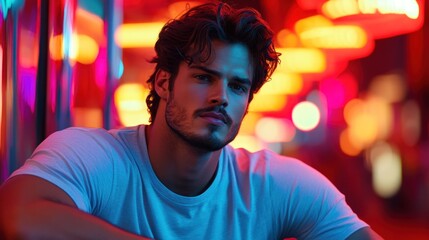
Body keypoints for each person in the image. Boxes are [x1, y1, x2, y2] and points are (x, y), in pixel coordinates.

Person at [0, 2, 382, 239]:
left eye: (237, 86)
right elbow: (17, 218)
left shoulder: (275, 184)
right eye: (204, 77)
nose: (221, 96)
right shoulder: (92, 155)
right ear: (164, 82)